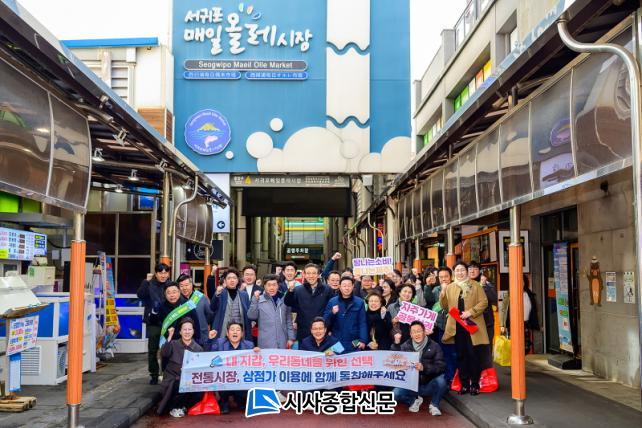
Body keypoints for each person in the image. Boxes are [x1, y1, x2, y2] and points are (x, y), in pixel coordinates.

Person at [440, 261, 488, 395]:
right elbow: (444, 306)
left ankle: (475, 384)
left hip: (472, 326)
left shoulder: (475, 285)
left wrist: (470, 312)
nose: (460, 273)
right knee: (461, 355)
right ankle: (465, 384)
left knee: (474, 355)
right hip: (457, 326)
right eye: (457, 270)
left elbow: (484, 302)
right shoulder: (450, 287)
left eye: (462, 270)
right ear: (454, 273)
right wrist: (443, 292)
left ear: (466, 271)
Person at [392, 321, 448, 416]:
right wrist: (396, 344)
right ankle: (413, 401)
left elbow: (441, 366)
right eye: (414, 332)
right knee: (395, 394)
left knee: (442, 380)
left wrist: (424, 368)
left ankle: (434, 405)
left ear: (424, 332)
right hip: (411, 385)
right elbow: (394, 359)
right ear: (410, 334)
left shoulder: (434, 346)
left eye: (419, 331)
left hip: (428, 384)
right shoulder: (405, 346)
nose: (416, 334)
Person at [206, 322, 260, 414]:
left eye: (238, 330)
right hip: (224, 380)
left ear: (242, 334)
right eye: (232, 330)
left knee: (243, 404)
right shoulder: (219, 343)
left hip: (241, 381)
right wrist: (210, 340)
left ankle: (240, 400)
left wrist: (258, 353)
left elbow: (256, 365)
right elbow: (208, 355)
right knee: (222, 379)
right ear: (227, 333)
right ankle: (224, 402)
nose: (235, 332)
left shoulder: (249, 345)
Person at [157, 317, 203, 417]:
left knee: (199, 390)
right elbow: (164, 353)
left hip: (190, 380)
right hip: (173, 378)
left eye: (189, 329)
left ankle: (184, 406)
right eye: (184, 329)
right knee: (180, 384)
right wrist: (170, 336)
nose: (187, 332)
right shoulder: (173, 344)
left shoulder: (198, 348)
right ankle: (174, 407)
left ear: (193, 331)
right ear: (180, 332)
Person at [137, 262, 170, 384]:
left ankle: (167, 373)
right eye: (160, 272)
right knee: (153, 349)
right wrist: (146, 281)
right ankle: (154, 375)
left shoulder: (171, 285)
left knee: (168, 349)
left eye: (165, 272)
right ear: (156, 273)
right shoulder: (149, 284)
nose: (163, 275)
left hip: (168, 321)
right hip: (153, 322)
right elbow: (140, 295)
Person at [284, 263, 335, 342]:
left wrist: (329, 328)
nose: (311, 276)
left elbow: (331, 311)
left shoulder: (327, 290)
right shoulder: (298, 290)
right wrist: (290, 291)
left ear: (318, 275)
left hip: (322, 332)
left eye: (314, 273)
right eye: (308, 273)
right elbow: (288, 303)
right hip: (303, 333)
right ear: (304, 274)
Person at [247, 274, 295, 349]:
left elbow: (289, 320)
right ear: (264, 286)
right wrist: (254, 300)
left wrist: (291, 338)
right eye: (268, 285)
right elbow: (251, 316)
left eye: (274, 285)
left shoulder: (284, 299)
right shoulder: (259, 299)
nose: (271, 288)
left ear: (278, 286)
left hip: (283, 340)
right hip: (265, 342)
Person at [323, 276, 368, 352]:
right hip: (336, 340)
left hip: (354, 341)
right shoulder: (332, 301)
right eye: (344, 286)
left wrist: (363, 340)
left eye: (349, 286)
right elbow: (325, 322)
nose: (347, 288)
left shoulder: (359, 302)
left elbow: (362, 322)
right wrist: (332, 313)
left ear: (353, 286)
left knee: (354, 358)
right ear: (340, 287)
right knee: (338, 358)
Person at [149, 282, 202, 347]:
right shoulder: (162, 306)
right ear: (165, 294)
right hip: (169, 342)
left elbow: (196, 324)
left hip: (186, 342)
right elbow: (153, 322)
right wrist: (154, 311)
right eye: (168, 293)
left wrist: (197, 341)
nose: (172, 295)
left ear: (179, 292)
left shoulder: (187, 305)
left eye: (174, 292)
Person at [500, 275, 540, 354]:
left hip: (526, 324)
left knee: (526, 346)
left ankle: (522, 360)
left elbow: (534, 309)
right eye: (517, 281)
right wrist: (502, 325)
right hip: (513, 324)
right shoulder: (509, 294)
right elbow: (503, 310)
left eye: (522, 281)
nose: (520, 283)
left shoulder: (529, 294)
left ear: (525, 282)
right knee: (515, 347)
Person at [469, 261, 498, 368]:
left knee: (486, 351)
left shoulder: (486, 283)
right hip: (470, 323)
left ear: (480, 271)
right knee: (471, 351)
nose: (472, 271)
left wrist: (484, 286)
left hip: (486, 323)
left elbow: (494, 298)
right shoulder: (464, 284)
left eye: (475, 268)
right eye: (470, 268)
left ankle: (486, 374)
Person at [210, 268, 252, 341]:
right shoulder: (220, 293)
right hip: (222, 331)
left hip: (239, 332)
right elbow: (212, 308)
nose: (232, 280)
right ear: (225, 281)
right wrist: (216, 294)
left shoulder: (244, 295)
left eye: (234, 278)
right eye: (229, 278)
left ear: (238, 280)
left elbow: (248, 313)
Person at [176, 273, 213, 347]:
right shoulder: (176, 300)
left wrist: (202, 323)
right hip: (182, 338)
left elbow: (210, 315)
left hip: (201, 336)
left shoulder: (201, 298)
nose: (184, 288)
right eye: (181, 286)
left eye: (186, 285)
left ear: (191, 285)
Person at [434, 267, 457, 382]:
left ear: (451, 277)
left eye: (446, 276)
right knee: (443, 353)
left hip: (454, 327)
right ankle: (448, 377)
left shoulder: (456, 288)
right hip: (441, 326)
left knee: (454, 353)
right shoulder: (435, 290)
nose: (443, 279)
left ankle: (455, 377)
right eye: (441, 277)